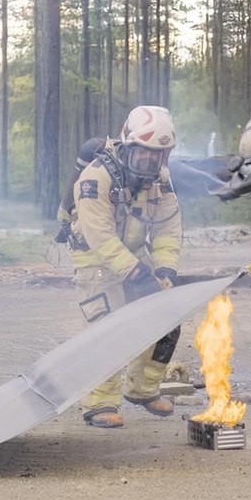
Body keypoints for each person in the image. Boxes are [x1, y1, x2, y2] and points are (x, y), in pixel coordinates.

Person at [64, 105, 182, 428]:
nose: (150, 165)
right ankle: (99, 402)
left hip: (131, 255)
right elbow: (100, 237)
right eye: (143, 156)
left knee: (168, 318)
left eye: (157, 157)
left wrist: (164, 270)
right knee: (111, 327)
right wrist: (135, 271)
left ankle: (143, 390)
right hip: (95, 259)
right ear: (127, 146)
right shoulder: (94, 179)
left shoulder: (160, 181)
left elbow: (167, 229)